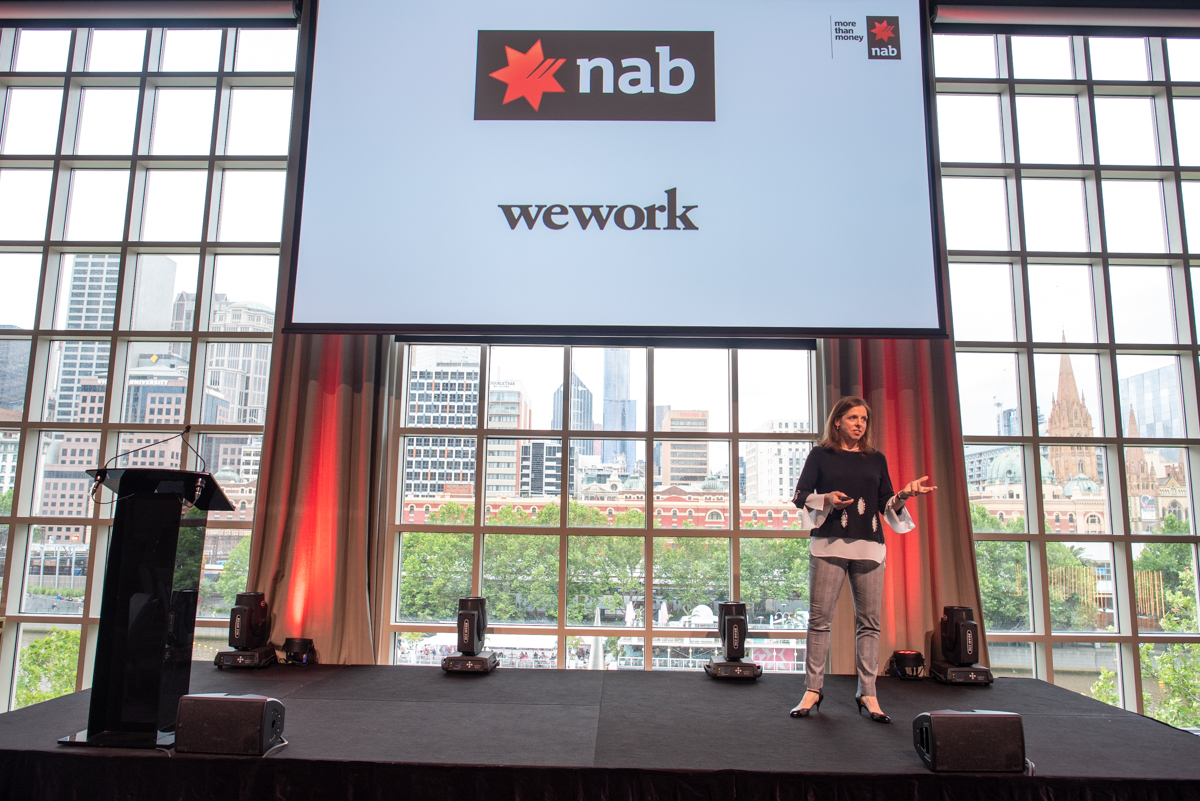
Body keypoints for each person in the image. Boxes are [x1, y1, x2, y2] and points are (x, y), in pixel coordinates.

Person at [788, 396, 935, 723]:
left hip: (869, 548)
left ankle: (868, 693)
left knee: (869, 623)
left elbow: (885, 503)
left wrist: (904, 495)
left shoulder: (876, 459)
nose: (859, 424)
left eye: (864, 419)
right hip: (828, 545)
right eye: (853, 418)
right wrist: (827, 498)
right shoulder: (820, 455)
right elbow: (800, 496)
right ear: (837, 421)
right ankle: (813, 689)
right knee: (819, 621)